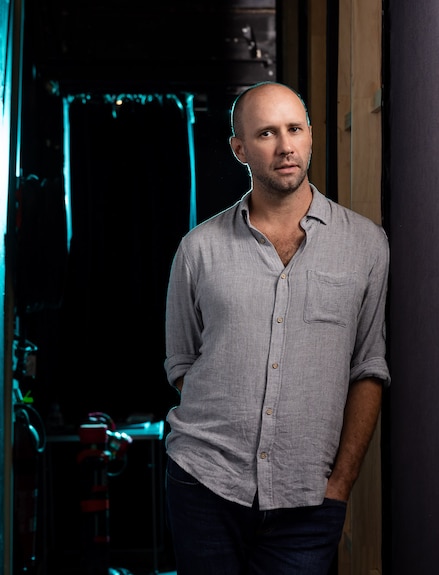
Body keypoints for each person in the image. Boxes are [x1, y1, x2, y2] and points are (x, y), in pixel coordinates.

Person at [162, 81, 391, 575]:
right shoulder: (198, 249)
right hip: (204, 485)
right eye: (266, 133)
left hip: (309, 500)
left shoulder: (367, 246)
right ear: (239, 149)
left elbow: (369, 369)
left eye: (295, 129)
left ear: (309, 135)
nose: (285, 146)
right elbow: (182, 364)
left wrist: (340, 487)